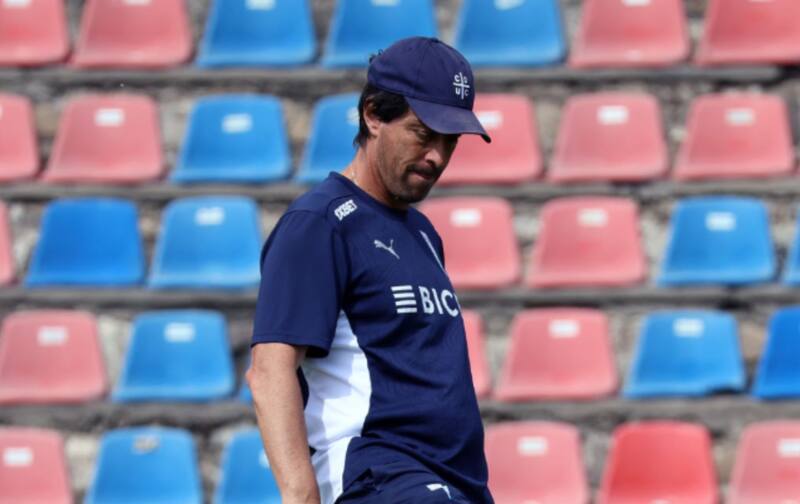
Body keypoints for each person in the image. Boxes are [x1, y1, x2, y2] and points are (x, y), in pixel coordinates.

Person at [247, 36, 494, 504]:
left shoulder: (422, 232)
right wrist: (301, 498)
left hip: (455, 483)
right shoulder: (318, 225)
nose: (437, 156)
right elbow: (269, 371)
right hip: (377, 477)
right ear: (373, 115)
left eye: (451, 141)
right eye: (424, 134)